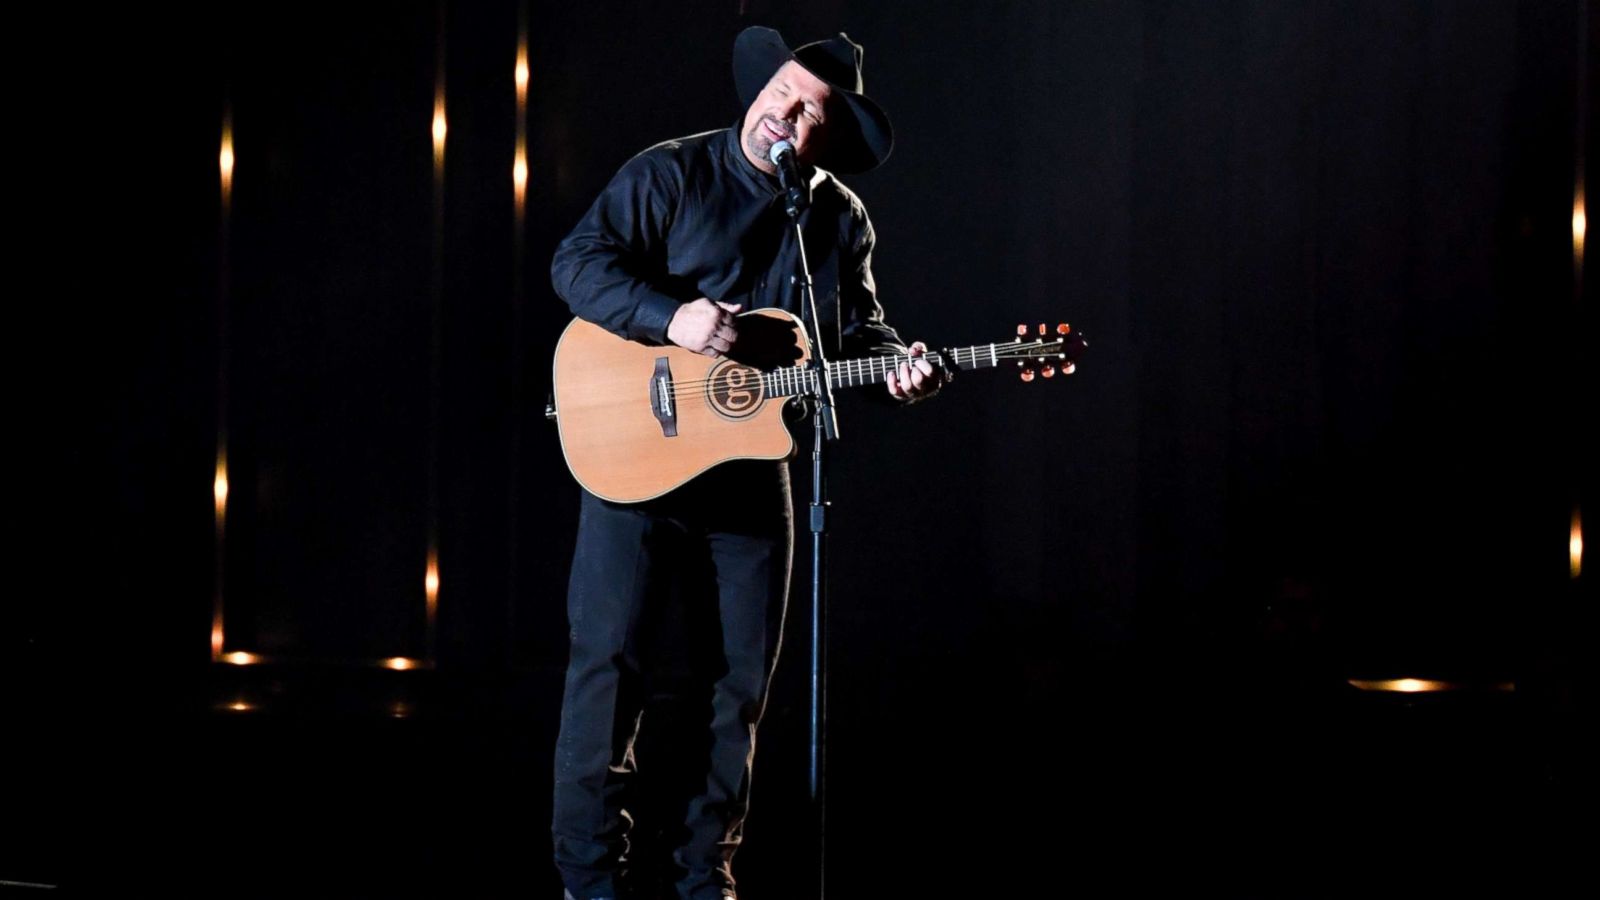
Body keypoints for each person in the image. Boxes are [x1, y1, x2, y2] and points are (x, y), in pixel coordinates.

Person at [549, 25, 942, 900]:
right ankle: (589, 880)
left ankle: (704, 879)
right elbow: (575, 264)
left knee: (736, 688)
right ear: (757, 89)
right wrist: (671, 317)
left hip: (754, 464)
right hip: (635, 453)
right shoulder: (671, 173)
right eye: (783, 92)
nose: (785, 113)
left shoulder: (836, 218)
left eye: (809, 112)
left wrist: (899, 371)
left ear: (825, 136)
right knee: (609, 664)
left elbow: (856, 337)